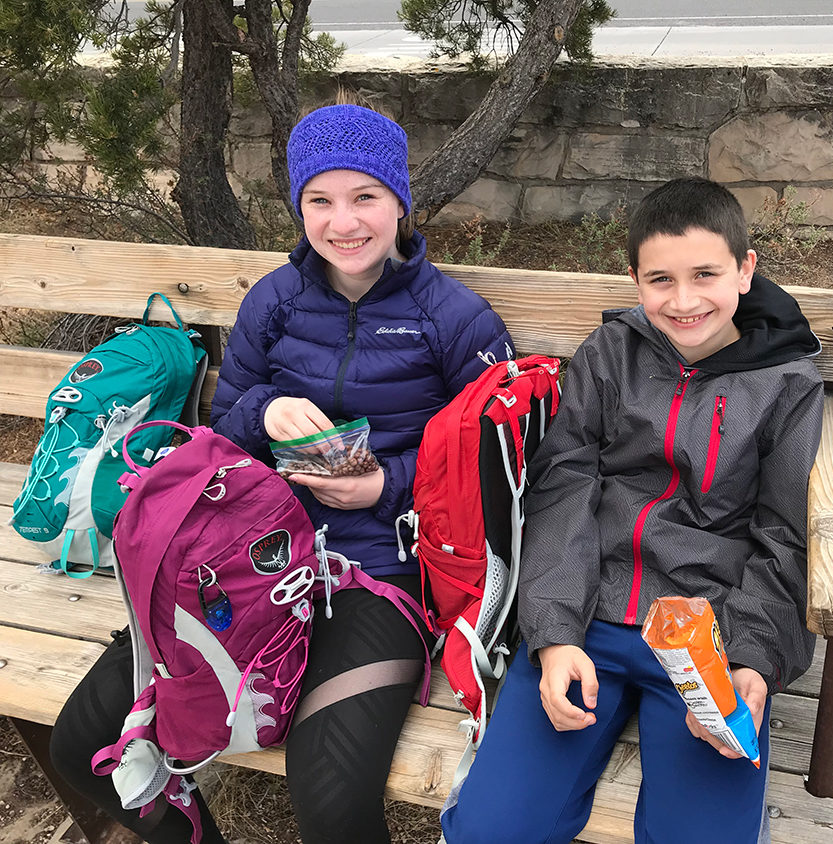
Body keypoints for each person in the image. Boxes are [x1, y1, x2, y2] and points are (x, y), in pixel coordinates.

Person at [49, 96, 513, 844]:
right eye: (319, 200)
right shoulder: (274, 301)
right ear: (298, 207)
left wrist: (384, 485)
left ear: (400, 201)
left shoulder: (455, 319)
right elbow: (219, 440)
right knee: (87, 748)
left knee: (328, 798)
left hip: (381, 577)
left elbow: (493, 464)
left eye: (366, 196)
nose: (344, 222)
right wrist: (263, 410)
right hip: (247, 563)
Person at [440, 177, 824, 844]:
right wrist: (555, 634)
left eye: (706, 274)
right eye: (660, 280)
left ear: (745, 268)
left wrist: (753, 663)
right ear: (635, 280)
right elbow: (563, 487)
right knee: (490, 829)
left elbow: (784, 535)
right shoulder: (610, 356)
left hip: (710, 633)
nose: (684, 301)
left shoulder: (786, 384)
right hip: (591, 612)